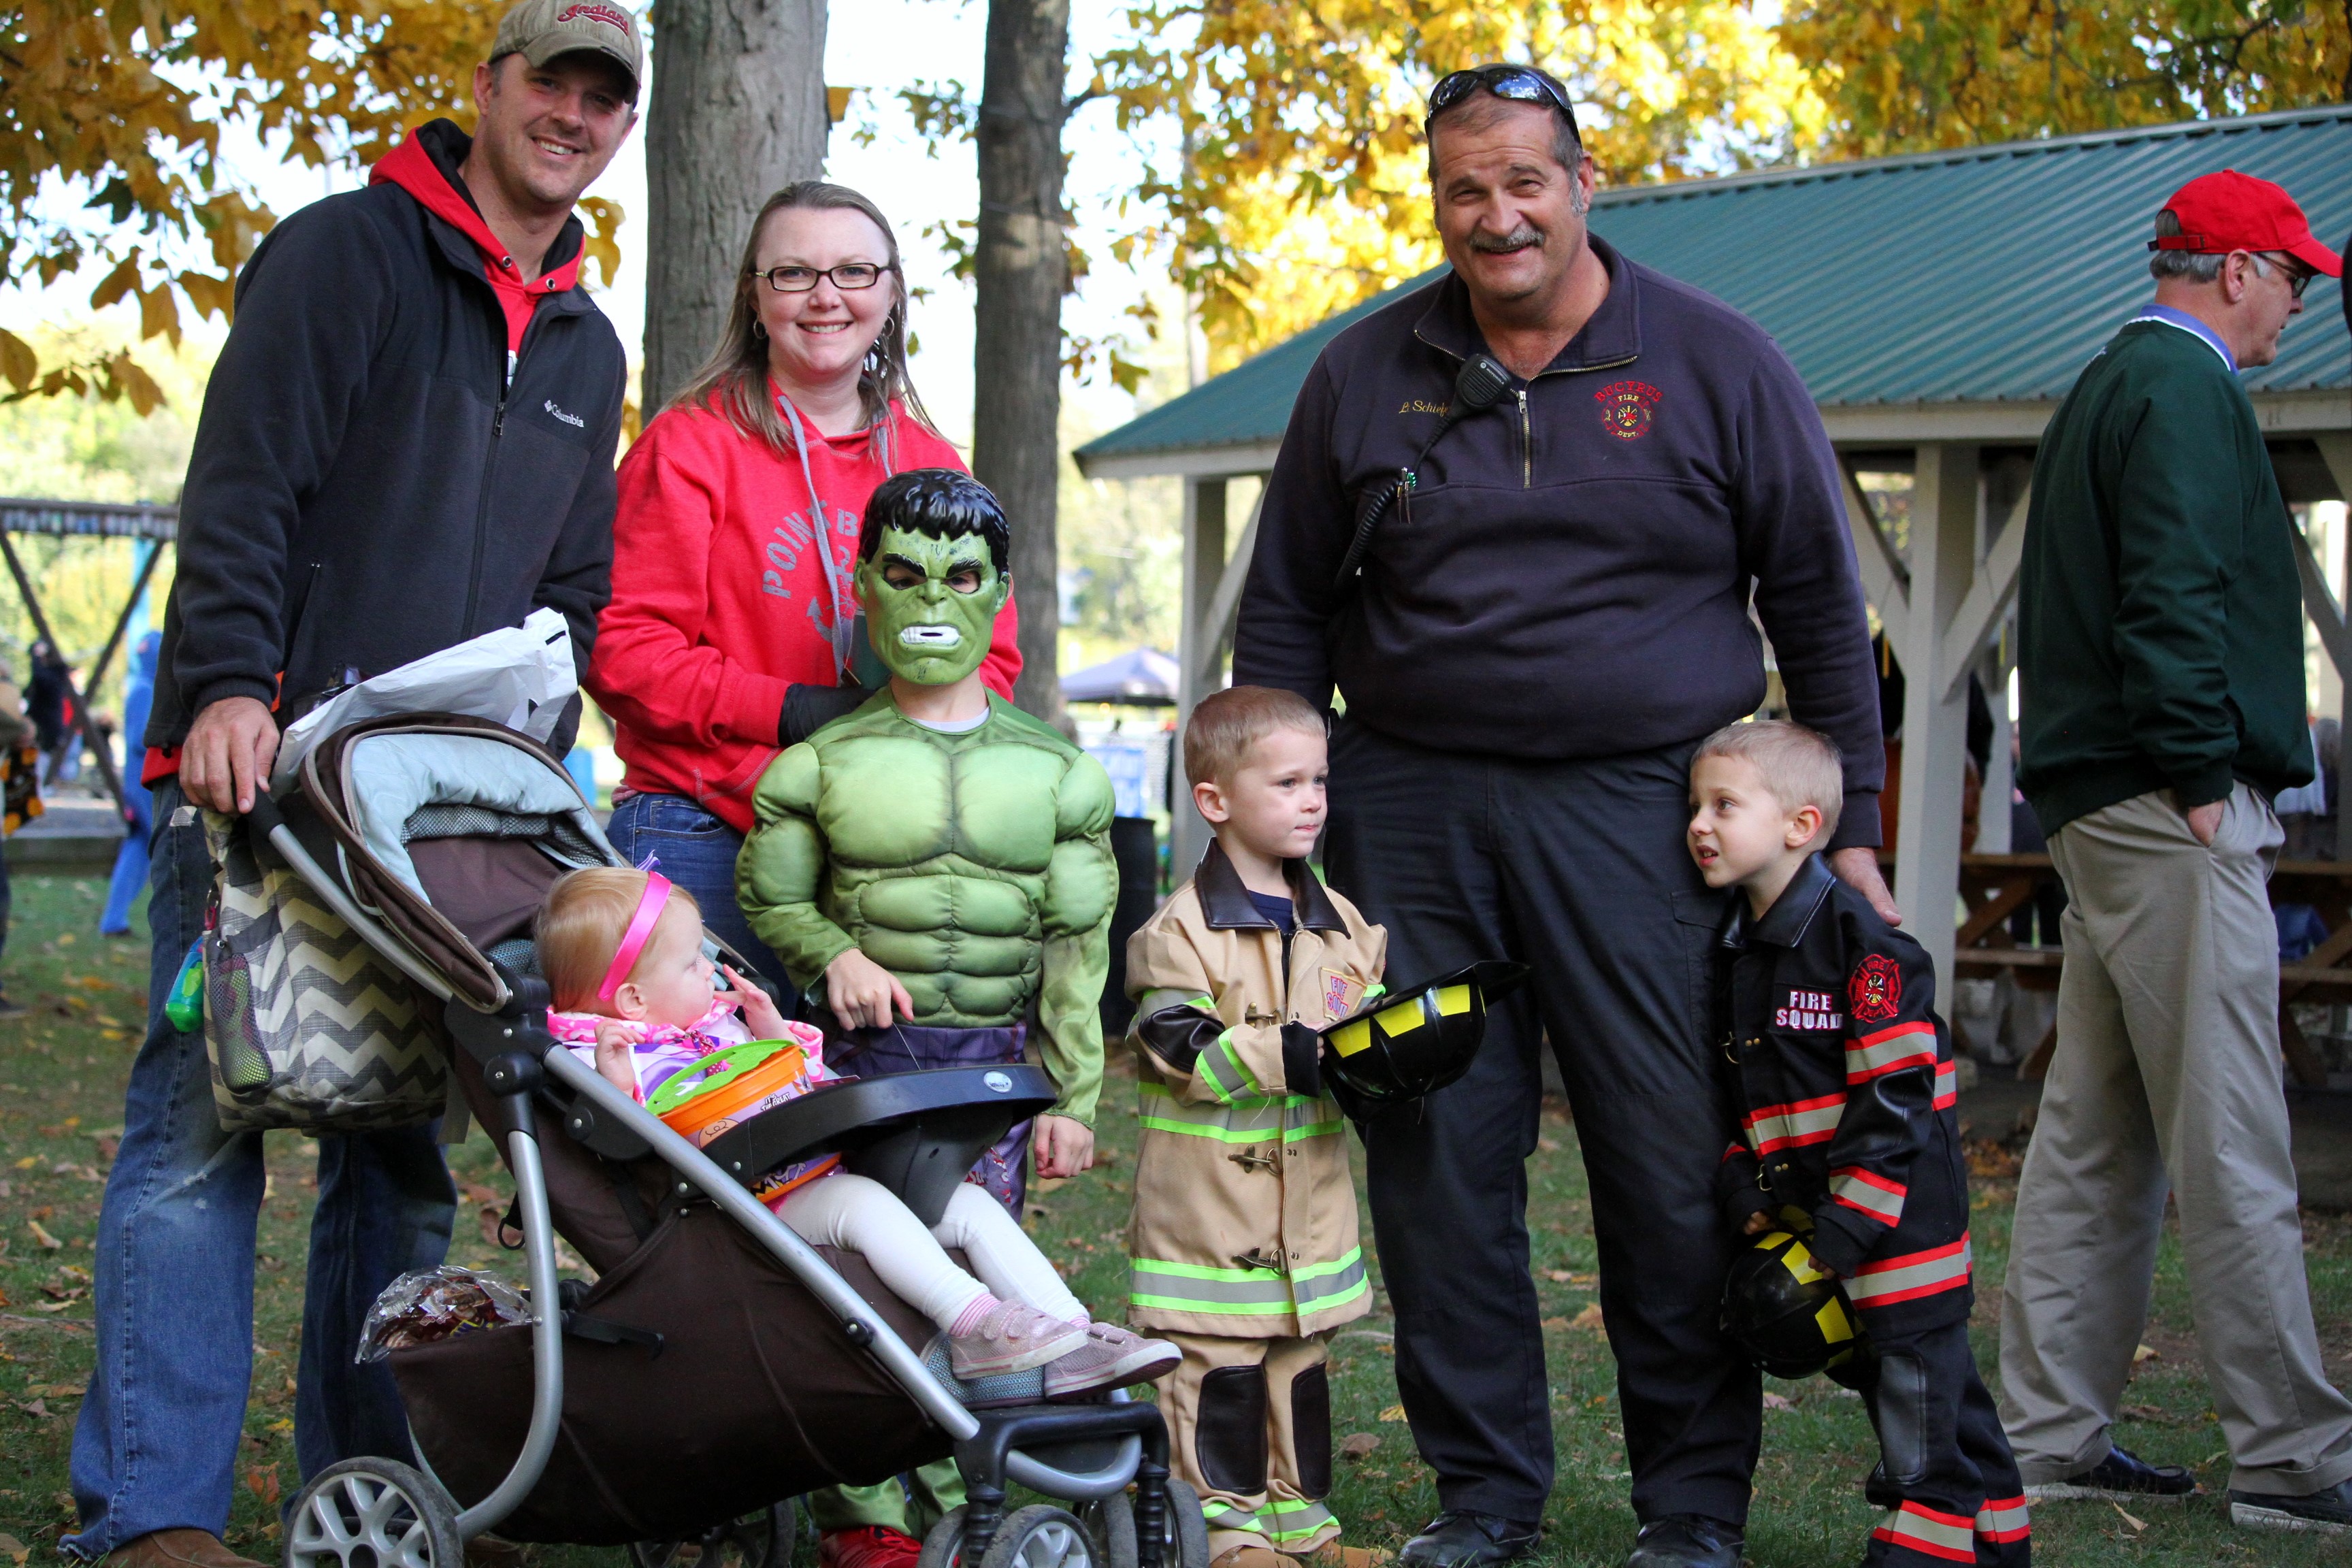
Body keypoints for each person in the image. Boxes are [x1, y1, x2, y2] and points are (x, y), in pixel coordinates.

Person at [1230, 63, 1884, 1568]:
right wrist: (1275, 824)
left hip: (1645, 811)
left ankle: (1692, 1507)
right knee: (1438, 1164)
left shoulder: (1717, 362)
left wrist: (1843, 825)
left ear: (1584, 183)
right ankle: (1484, 1496)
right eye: (1464, 188)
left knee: (1669, 1157)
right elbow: (1285, 612)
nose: (1496, 215)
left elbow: (1815, 599)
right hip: (1410, 807)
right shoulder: (1363, 371)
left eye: (1524, 181)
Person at [66, 3, 642, 1564]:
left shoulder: (588, 344)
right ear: (489, 87)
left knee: (396, 1161)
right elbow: (244, 488)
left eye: (603, 98)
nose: (573, 116)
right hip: (267, 786)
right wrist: (222, 688)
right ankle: (152, 1515)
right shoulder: (343, 255)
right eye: (551, 82)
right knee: (199, 1137)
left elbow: (574, 588)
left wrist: (540, 725)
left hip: (435, 826)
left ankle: (372, 1497)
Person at [2004, 170, 2352, 1535]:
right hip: (2165, 804)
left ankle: (2045, 1436)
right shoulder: (2187, 389)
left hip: (2103, 802)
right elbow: (2172, 594)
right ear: (2236, 271)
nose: (2300, 305)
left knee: (2095, 1135)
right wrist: (2205, 781)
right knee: (2234, 1134)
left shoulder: (2111, 381)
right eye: (2294, 278)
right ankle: (2292, 1460)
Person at [735, 469, 1111, 1568]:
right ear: (864, 587)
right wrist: (834, 954)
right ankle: (867, 1516)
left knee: (979, 1283)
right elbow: (774, 897)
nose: (933, 598)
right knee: (850, 1281)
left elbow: (1077, 951)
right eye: (905, 574)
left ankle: (967, 1495)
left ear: (999, 592)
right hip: (859, 1065)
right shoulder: (819, 763)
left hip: (993, 1070)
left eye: (961, 575)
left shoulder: (1059, 773)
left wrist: (1075, 1097)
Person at [586, 180, 1022, 991]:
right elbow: (622, 652)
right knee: (712, 1072)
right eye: (794, 274)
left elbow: (990, 658)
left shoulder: (932, 465)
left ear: (891, 294)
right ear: (755, 297)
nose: (826, 297)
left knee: (887, 1075)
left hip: (880, 842)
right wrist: (790, 711)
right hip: (705, 825)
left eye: (855, 272)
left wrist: (901, 741)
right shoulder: (689, 447)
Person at [535, 865, 1179, 1395]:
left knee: (964, 1202)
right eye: (690, 964)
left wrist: (771, 1035)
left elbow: (803, 1082)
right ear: (634, 1002)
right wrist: (617, 1088)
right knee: (863, 1203)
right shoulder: (614, 1057)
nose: (710, 969)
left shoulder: (712, 1024)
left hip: (816, 1164)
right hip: (748, 1207)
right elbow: (633, 1149)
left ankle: (1075, 1335)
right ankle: (975, 1325)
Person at [1690, 721, 2028, 1567]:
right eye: (1695, 806)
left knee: (1915, 1378)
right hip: (1822, 1215)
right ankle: (2000, 1538)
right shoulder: (1734, 949)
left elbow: (1896, 1098)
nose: (1698, 824)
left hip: (1898, 1219)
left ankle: (1930, 1534)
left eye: (1724, 806)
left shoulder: (1866, 948)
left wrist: (1851, 1223)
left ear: (1800, 826)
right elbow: (1743, 1094)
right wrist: (1747, 1189)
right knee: (1918, 1380)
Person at [1123, 687, 1387, 1568]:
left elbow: (1367, 1024)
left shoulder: (1342, 924)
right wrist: (1294, 1053)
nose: (1313, 801)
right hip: (1207, 1220)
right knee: (1220, 1377)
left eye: (1320, 781)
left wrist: (1400, 1052)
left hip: (1308, 1221)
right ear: (1215, 800)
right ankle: (1226, 1533)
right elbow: (1178, 1045)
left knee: (1298, 1368)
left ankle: (1302, 1523)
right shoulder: (1178, 931)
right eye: (1287, 783)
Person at [99, 632, 161, 938]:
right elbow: (141, 738)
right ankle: (115, 919)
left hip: (139, 785)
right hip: (142, 788)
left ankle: (115, 920)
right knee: (153, 850)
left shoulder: (141, 687)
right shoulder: (145, 691)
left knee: (139, 851)